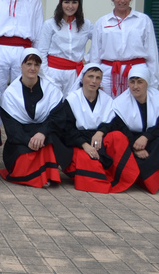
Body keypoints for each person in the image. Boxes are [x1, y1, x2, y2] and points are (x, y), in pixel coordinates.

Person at [52, 63, 139, 193]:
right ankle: (99, 180)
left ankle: (120, 176)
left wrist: (100, 132)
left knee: (118, 136)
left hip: (99, 141)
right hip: (78, 142)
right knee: (88, 161)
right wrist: (84, 145)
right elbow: (67, 129)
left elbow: (115, 123)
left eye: (98, 78)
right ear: (82, 78)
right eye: (90, 76)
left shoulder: (107, 100)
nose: (94, 81)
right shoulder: (71, 100)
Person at [93, 0, 159, 97]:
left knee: (134, 107)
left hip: (136, 73)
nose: (122, 0)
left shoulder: (143, 20)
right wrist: (96, 80)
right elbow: (95, 54)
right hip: (108, 75)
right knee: (108, 107)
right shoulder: (102, 22)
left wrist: (153, 82)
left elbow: (152, 54)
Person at [0, 49, 68, 188]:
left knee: (49, 144)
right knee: (23, 155)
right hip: (20, 138)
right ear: (21, 66)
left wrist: (42, 133)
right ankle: (40, 177)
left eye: (36, 65)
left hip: (44, 135)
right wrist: (28, 141)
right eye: (29, 64)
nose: (33, 68)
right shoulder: (10, 94)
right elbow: (11, 128)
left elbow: (57, 118)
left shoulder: (51, 90)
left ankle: (43, 176)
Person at [112, 64, 159, 193]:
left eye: (140, 82)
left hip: (148, 138)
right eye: (132, 82)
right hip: (129, 139)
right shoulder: (119, 104)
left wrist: (146, 137)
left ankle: (152, 178)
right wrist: (135, 147)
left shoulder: (158, 100)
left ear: (147, 83)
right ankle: (144, 179)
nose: (135, 86)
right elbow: (120, 129)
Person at [39, 0, 93, 95]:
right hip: (53, 72)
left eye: (74, 2)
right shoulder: (50, 24)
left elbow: (99, 40)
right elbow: (42, 51)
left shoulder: (86, 25)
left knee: (72, 104)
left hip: (75, 74)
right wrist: (46, 75)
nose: (70, 6)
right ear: (60, 4)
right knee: (53, 103)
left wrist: (88, 57)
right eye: (67, 2)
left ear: (79, 4)